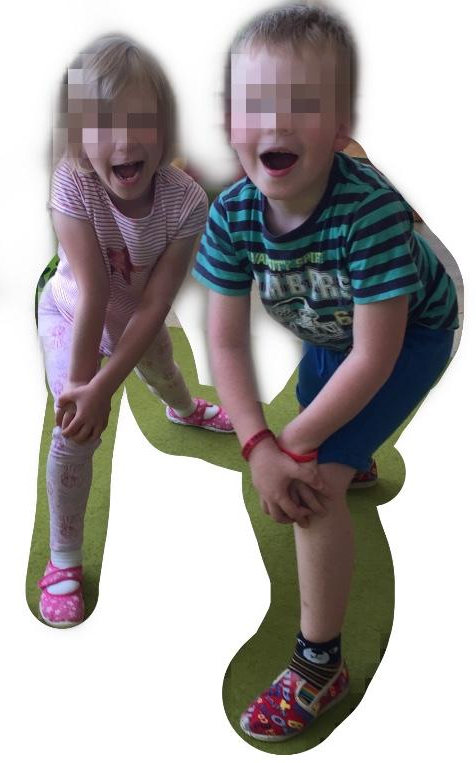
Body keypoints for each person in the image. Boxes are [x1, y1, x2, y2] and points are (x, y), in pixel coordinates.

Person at [193, 2, 458, 741]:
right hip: (330, 325)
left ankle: (320, 665)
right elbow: (226, 341)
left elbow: (375, 356)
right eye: (255, 103)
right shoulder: (233, 214)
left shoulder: (368, 216)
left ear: (341, 128)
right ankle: (352, 452)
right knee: (314, 407)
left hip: (411, 333)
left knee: (313, 484)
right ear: (228, 123)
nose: (275, 121)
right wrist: (257, 443)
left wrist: (296, 445)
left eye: (302, 103)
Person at [37, 34, 234, 628]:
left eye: (140, 122)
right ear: (78, 138)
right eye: (103, 126)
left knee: (165, 370)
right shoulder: (72, 181)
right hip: (71, 314)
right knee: (73, 435)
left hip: (137, 320)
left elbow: (154, 305)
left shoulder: (188, 202)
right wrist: (85, 390)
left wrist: (107, 385)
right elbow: (93, 290)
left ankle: (185, 410)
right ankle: (63, 558)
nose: (123, 142)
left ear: (166, 128)